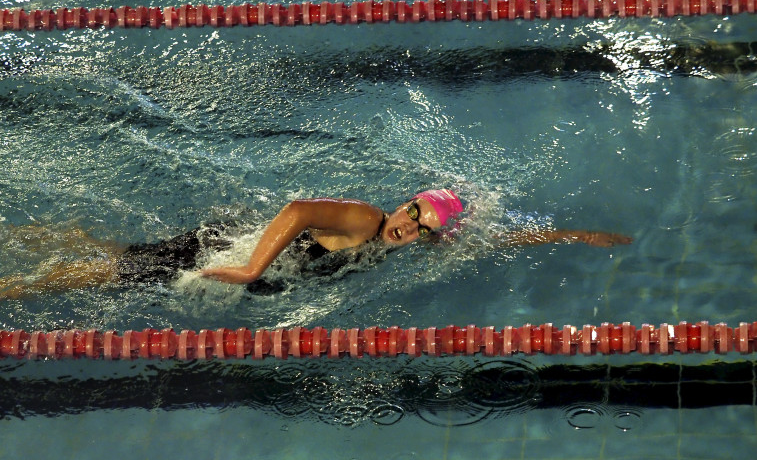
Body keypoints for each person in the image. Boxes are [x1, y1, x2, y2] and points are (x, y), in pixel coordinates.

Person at [0, 189, 632, 300]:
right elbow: (300, 210)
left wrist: (571, 234)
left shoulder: (404, 244)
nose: (406, 228)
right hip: (223, 250)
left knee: (115, 256)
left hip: (242, 261)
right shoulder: (364, 219)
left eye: (422, 231)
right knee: (112, 273)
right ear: (406, 202)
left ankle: (26, 237)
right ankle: (13, 286)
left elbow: (493, 241)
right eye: (413, 215)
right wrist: (250, 268)